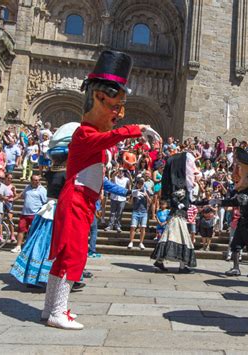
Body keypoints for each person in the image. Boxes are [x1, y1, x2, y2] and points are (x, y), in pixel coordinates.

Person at [42, 50, 161, 330]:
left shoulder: (90, 136)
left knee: (69, 255)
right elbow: (108, 138)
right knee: (72, 256)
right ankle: (57, 311)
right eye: (114, 106)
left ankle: (51, 309)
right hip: (76, 200)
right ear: (97, 98)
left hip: (83, 201)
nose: (118, 114)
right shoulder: (84, 133)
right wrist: (137, 128)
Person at [10, 123, 78, 287]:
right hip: (57, 210)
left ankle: (34, 274)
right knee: (54, 243)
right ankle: (50, 275)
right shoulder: (66, 174)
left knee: (39, 241)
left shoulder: (51, 171)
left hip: (47, 208)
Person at [213, 147, 248, 277]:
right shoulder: (241, 191)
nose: (236, 172)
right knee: (235, 245)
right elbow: (233, 202)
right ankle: (236, 268)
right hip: (242, 221)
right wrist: (219, 202)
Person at [151, 152, 198, 273]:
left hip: (180, 215)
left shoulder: (184, 185)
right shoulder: (179, 185)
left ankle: (163, 262)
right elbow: (173, 197)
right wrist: (178, 204)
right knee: (177, 238)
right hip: (177, 215)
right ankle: (179, 265)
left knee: (175, 238)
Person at [11, 174, 48, 253]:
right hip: (25, 213)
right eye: (35, 180)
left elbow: (45, 202)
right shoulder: (27, 187)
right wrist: (13, 198)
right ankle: (18, 246)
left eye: (38, 180)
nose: (37, 182)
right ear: (31, 181)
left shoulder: (42, 190)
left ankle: (31, 247)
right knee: (21, 229)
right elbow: (21, 195)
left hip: (35, 213)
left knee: (34, 231)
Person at [128, 177, 151, 249]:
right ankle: (131, 242)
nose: (140, 185)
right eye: (139, 184)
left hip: (144, 212)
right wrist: (133, 196)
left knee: (143, 228)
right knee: (133, 227)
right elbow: (130, 202)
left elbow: (150, 202)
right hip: (135, 211)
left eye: (142, 184)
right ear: (137, 184)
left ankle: (141, 242)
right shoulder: (134, 191)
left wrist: (146, 195)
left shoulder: (146, 191)